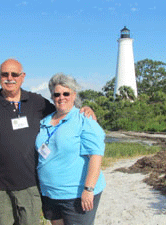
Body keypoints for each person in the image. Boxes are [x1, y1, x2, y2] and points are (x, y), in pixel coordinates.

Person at [0, 59, 96, 225]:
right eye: (4, 74)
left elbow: (63, 109)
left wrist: (84, 109)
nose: (10, 78)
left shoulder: (36, 102)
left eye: (14, 74)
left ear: (22, 77)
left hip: (30, 184)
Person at [35, 73, 106, 225]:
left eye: (66, 93)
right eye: (57, 94)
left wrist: (88, 189)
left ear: (74, 95)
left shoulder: (83, 118)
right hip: (50, 193)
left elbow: (96, 155)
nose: (62, 97)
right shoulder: (45, 121)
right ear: (52, 97)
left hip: (76, 194)